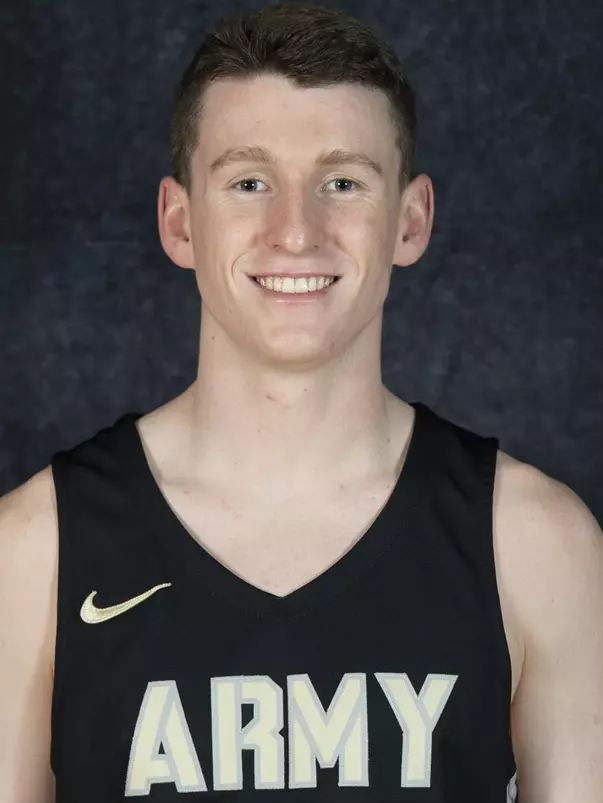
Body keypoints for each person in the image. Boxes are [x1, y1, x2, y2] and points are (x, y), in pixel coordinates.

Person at [1, 2, 602, 801]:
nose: (296, 231)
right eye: (249, 182)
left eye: (342, 182)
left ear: (410, 220)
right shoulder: (33, 552)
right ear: (180, 223)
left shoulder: (535, 543)